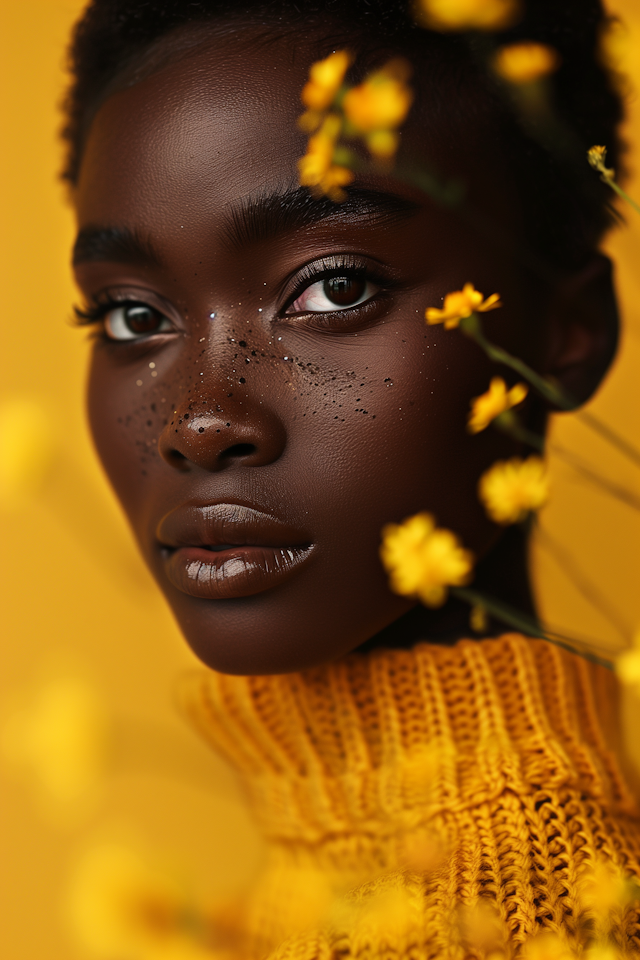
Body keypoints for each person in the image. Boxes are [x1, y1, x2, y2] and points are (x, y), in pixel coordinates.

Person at [64, 0, 640, 956]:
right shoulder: (316, 893)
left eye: (335, 286)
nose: (200, 424)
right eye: (131, 316)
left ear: (566, 331)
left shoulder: (536, 916)